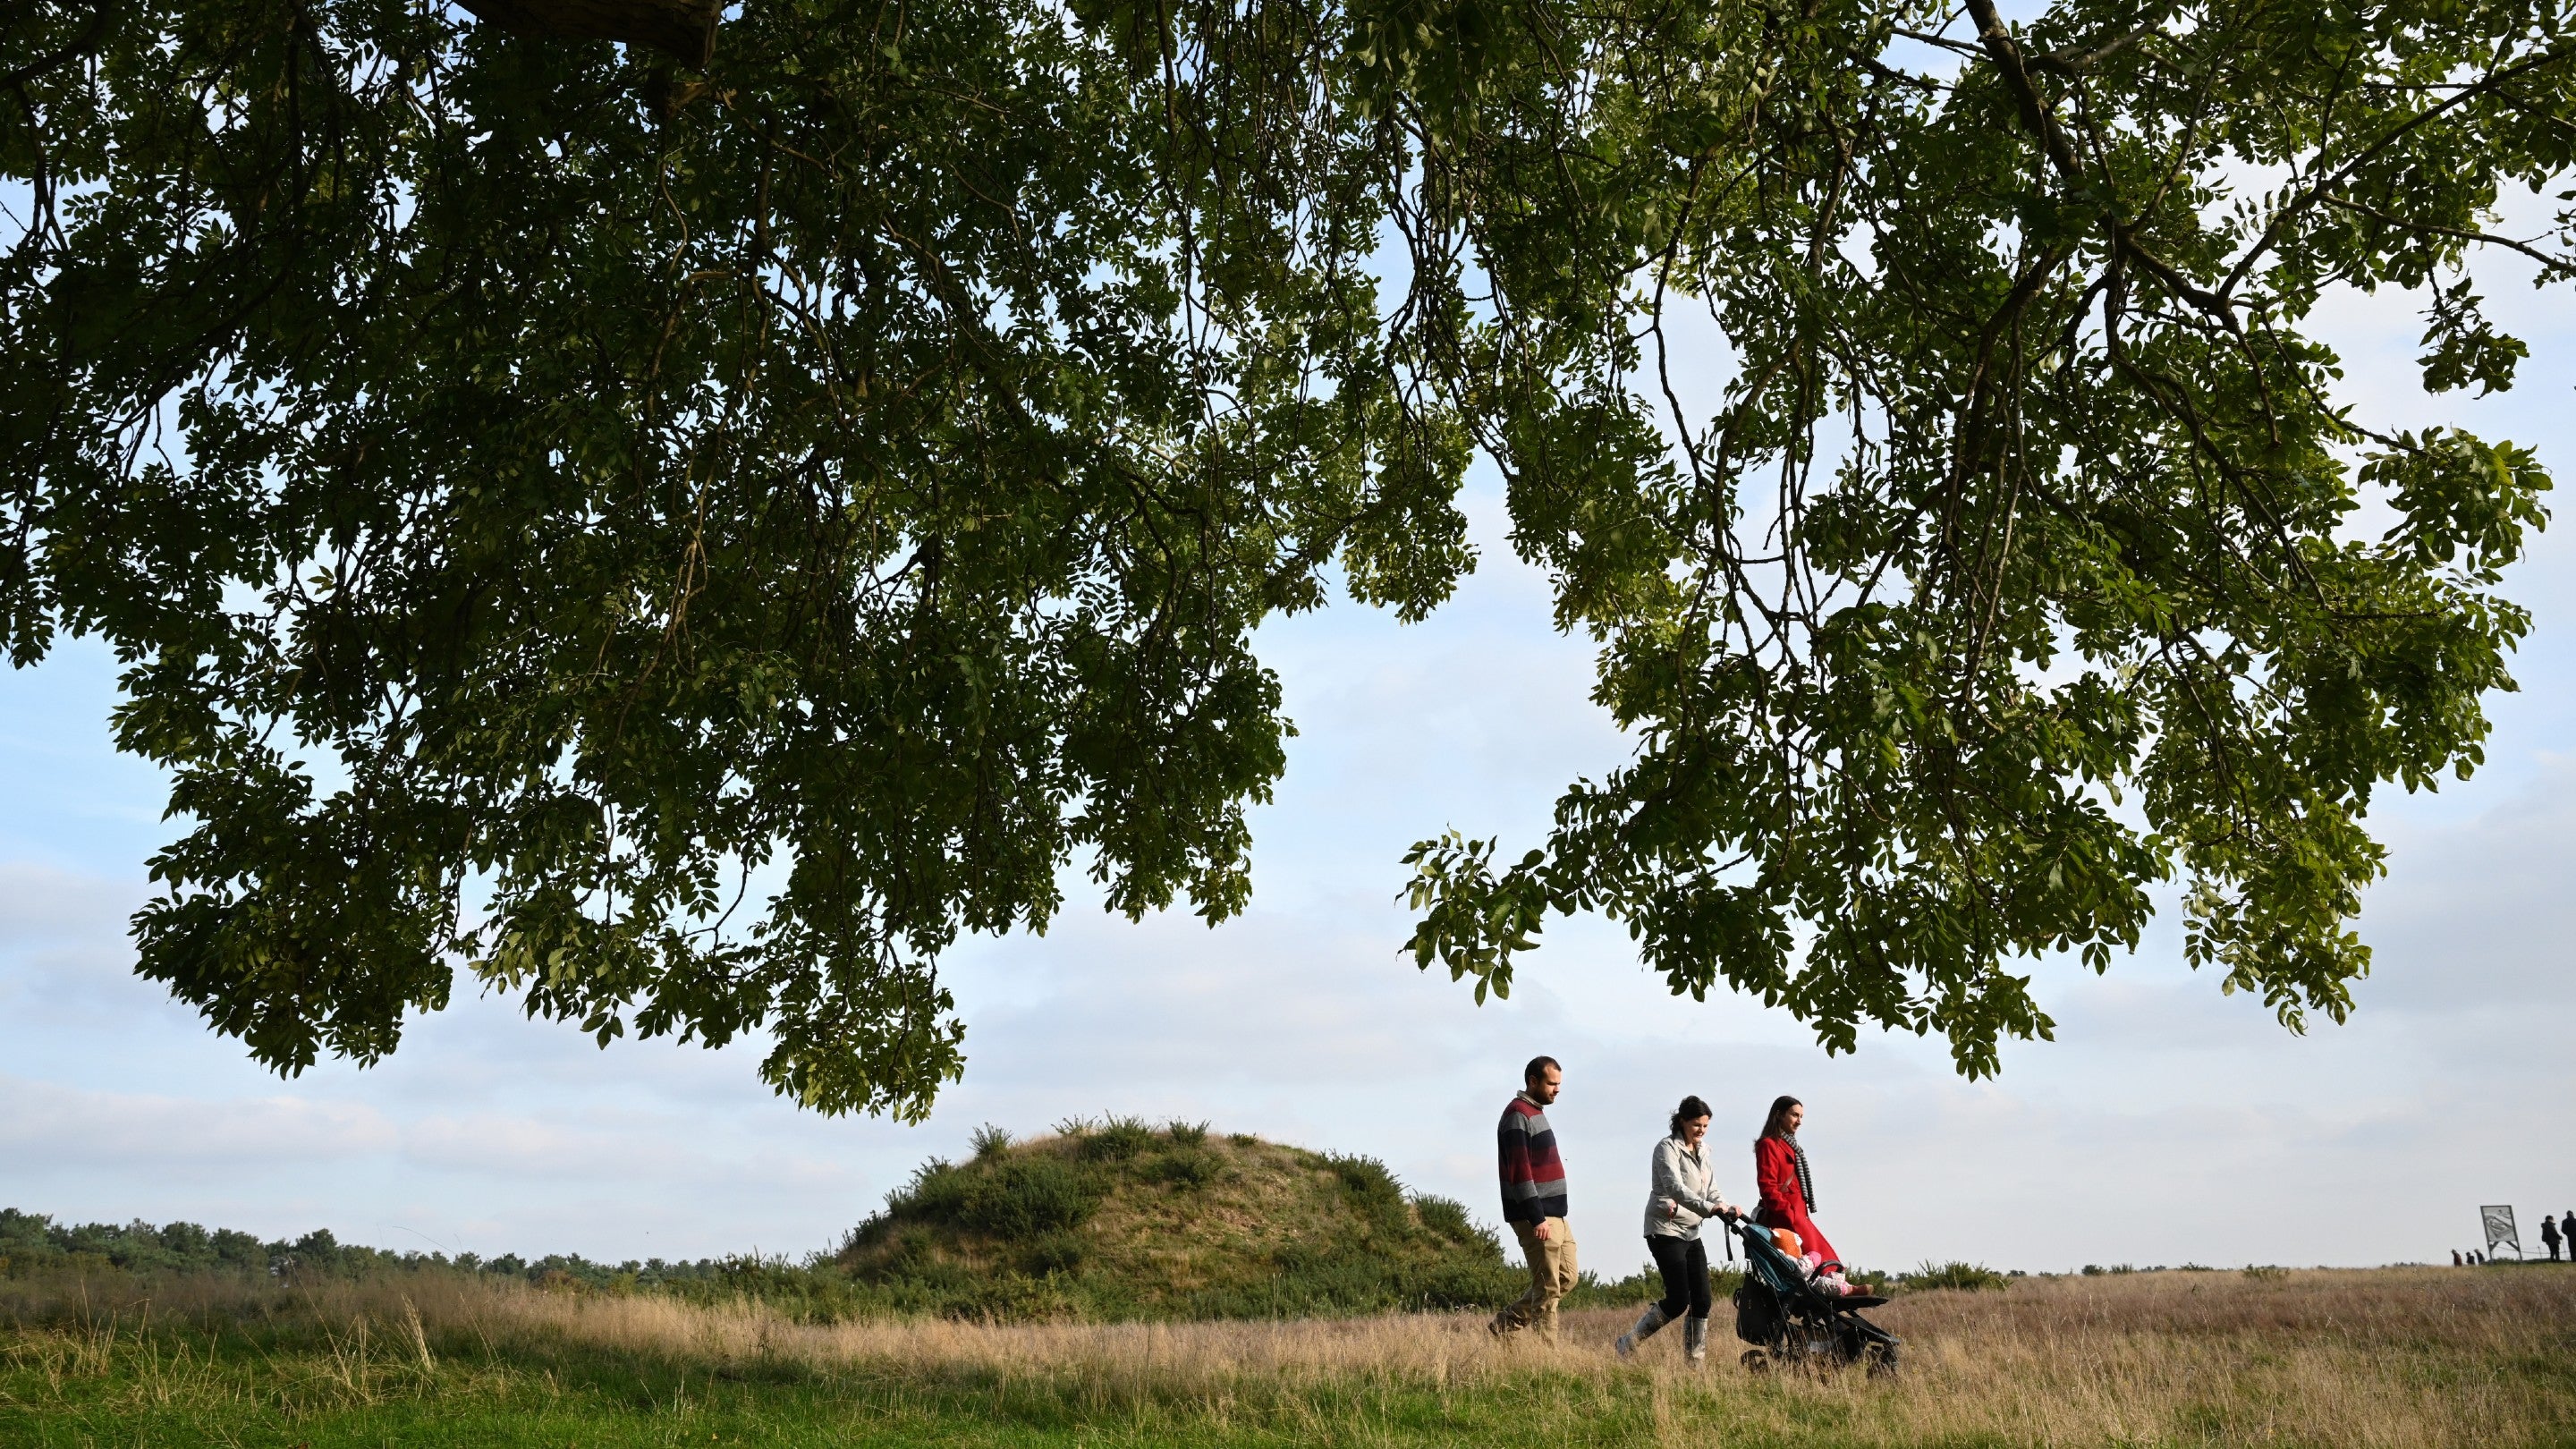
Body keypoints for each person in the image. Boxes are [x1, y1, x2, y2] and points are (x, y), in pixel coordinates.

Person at [1615, 1095, 1738, 1364]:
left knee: (1703, 1300)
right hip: (1665, 1228)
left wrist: (1725, 1207)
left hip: (1692, 1231)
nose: (1701, 1131)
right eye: (1696, 1125)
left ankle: (1694, 1364)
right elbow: (1675, 1189)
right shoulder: (1666, 1149)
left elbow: (1711, 1189)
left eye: (1705, 1126)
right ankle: (1628, 1343)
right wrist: (1708, 1208)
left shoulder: (1705, 1152)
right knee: (1678, 1299)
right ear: (1682, 1121)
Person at [1490, 1055, 1577, 1341]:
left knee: (1567, 1278)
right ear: (1533, 1081)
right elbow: (1520, 1172)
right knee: (1548, 1286)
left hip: (1556, 1215)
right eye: (1552, 1083)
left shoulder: (1535, 1112)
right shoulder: (1518, 1114)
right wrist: (1536, 1217)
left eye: (1559, 1084)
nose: (1557, 1089)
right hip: (1538, 1217)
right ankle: (1547, 1357)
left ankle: (1504, 1324)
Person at [1753, 1095, 1874, 1294]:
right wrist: (1790, 1214)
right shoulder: (1769, 1144)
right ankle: (1844, 1291)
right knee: (1814, 1263)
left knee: (1821, 1261)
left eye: (1801, 1116)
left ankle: (1841, 1292)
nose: (1799, 1121)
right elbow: (1768, 1187)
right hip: (1785, 1220)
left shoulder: (1791, 1147)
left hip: (1798, 1216)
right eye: (1794, 1115)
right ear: (1779, 1115)